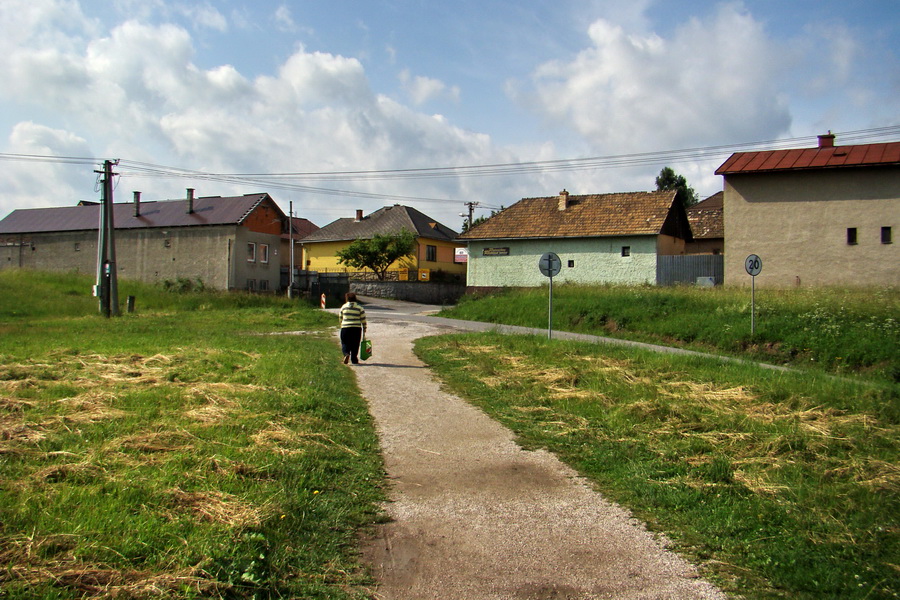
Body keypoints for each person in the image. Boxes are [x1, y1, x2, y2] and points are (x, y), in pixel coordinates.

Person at [339, 292, 367, 364]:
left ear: (347, 299)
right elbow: (363, 319)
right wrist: (364, 327)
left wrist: (341, 324)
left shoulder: (343, 307)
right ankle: (354, 359)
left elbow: (340, 317)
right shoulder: (359, 308)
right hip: (356, 328)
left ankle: (346, 354)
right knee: (355, 344)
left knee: (345, 342)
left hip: (345, 328)